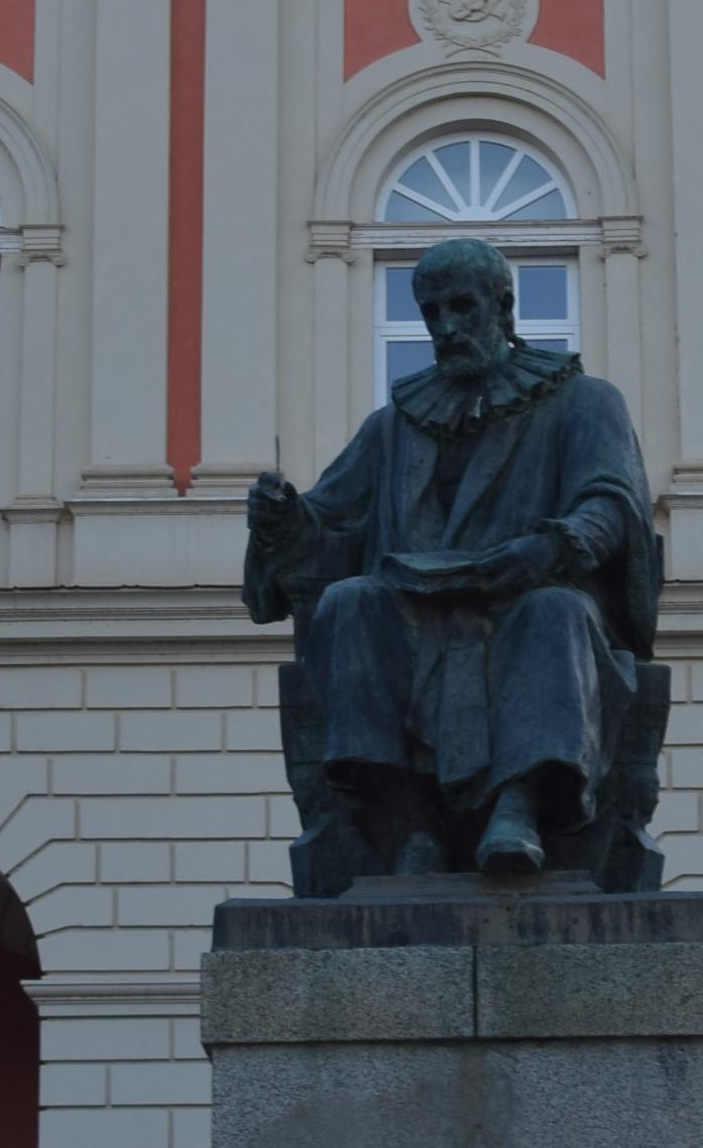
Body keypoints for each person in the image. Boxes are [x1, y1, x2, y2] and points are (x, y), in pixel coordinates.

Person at [243, 237, 658, 886]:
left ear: (505, 307)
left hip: (528, 600)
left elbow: (612, 503)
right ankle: (411, 825)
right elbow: (330, 522)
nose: (446, 327)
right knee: (351, 603)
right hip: (417, 618)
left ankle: (517, 807)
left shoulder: (583, 401)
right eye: (431, 312)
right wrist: (283, 519)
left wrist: (546, 549)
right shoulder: (393, 425)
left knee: (556, 610)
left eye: (462, 307)